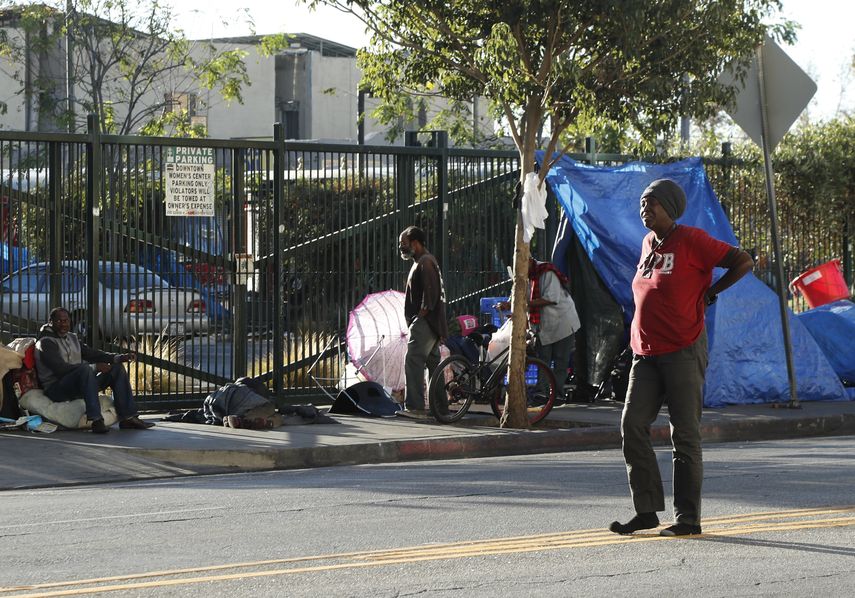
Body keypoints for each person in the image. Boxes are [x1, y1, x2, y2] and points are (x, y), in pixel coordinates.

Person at [610, 179, 753, 537]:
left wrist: (712, 293)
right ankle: (646, 511)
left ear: (670, 207)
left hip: (683, 349)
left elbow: (742, 261)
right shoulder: (647, 244)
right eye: (642, 203)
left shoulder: (692, 240)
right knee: (632, 425)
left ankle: (688, 518)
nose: (645, 209)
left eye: (652, 203)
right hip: (645, 353)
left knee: (684, 433)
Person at [34, 307, 155, 433]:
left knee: (116, 369)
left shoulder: (72, 338)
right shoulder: (45, 343)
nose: (64, 324)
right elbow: (60, 369)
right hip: (56, 389)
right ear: (50, 322)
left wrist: (117, 358)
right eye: (59, 321)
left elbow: (92, 354)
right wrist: (94, 367)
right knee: (85, 370)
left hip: (79, 384)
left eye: (66, 321)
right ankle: (96, 420)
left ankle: (128, 417)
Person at [498, 256, 581, 402]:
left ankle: (557, 393)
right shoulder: (523, 277)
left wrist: (523, 304)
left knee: (560, 361)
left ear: (529, 261)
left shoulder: (547, 272)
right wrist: (507, 304)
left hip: (562, 323)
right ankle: (542, 393)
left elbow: (551, 298)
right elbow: (515, 296)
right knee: (543, 360)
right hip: (542, 326)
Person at [398, 225, 448, 414]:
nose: (401, 247)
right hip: (432, 323)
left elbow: (431, 296)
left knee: (413, 360)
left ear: (416, 243)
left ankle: (415, 407)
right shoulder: (423, 261)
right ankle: (441, 409)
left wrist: (419, 318)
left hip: (426, 323)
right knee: (434, 364)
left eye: (404, 243)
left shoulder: (425, 262)